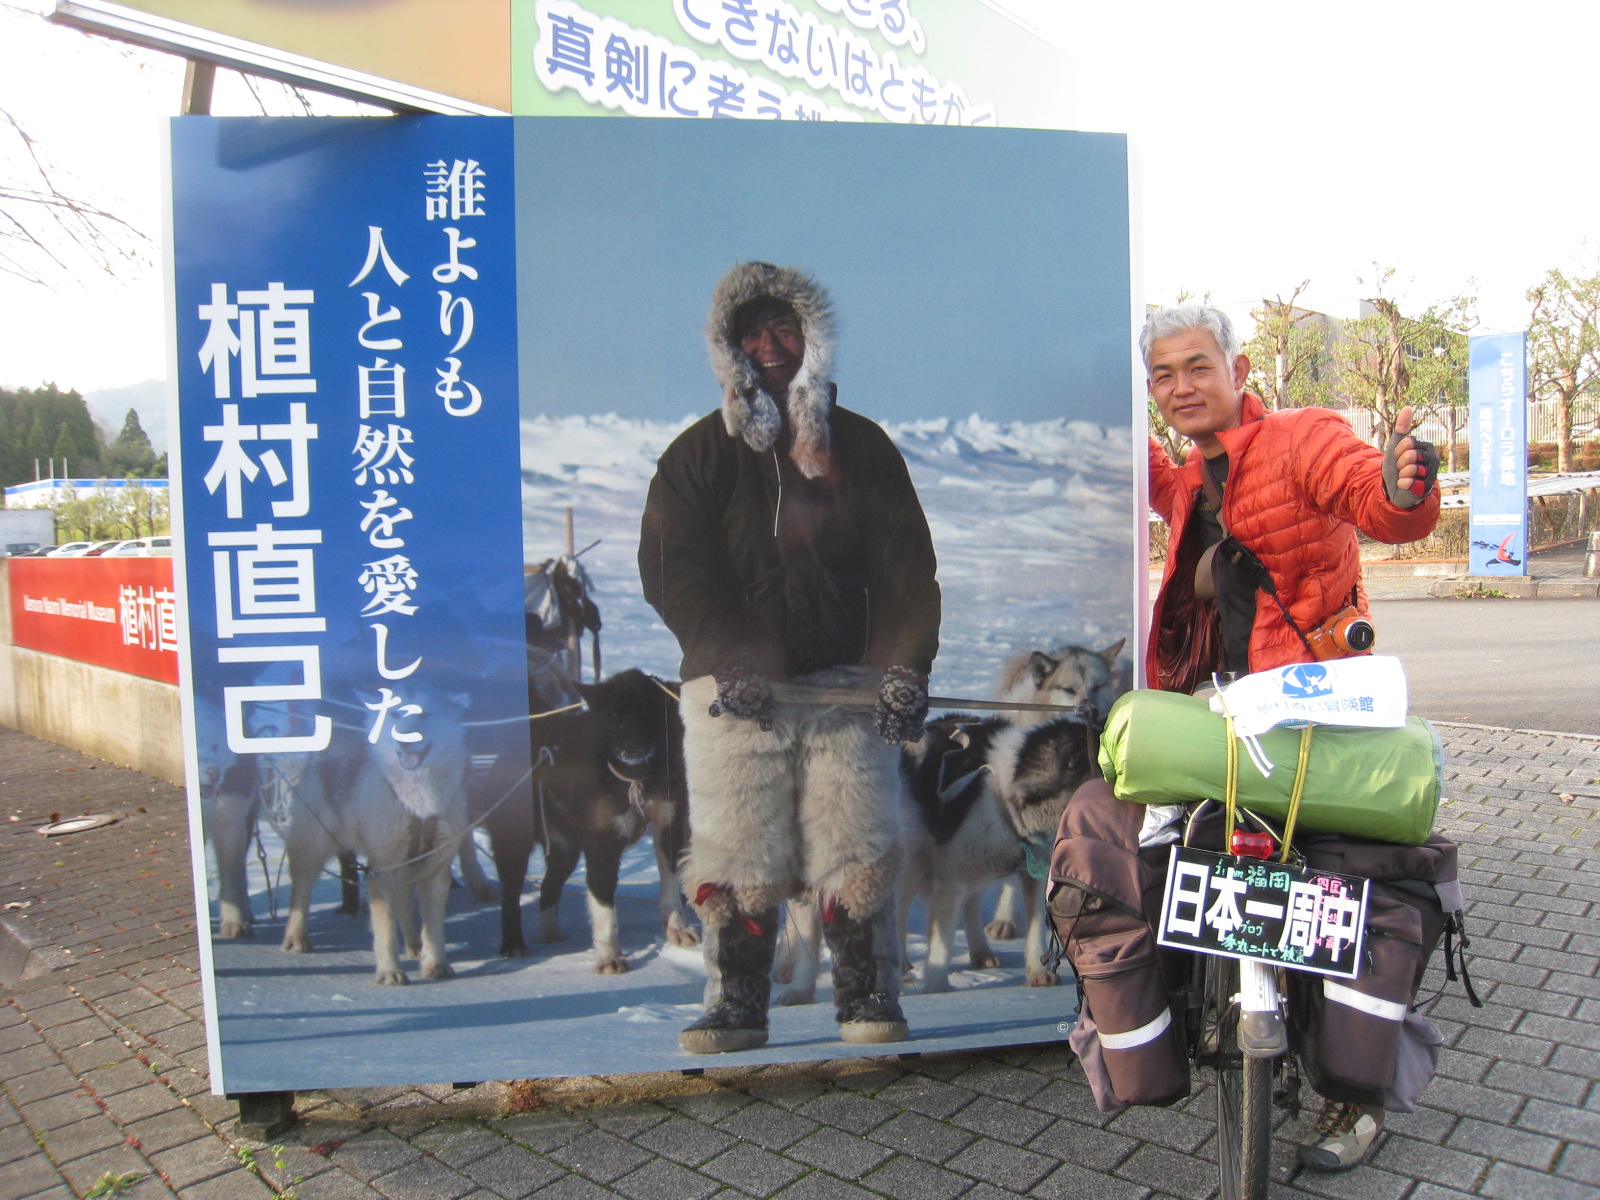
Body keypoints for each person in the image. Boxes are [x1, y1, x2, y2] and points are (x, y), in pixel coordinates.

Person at [1055, 304, 1441, 1171]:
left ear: (1238, 366)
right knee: (1134, 837)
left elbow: (1377, 501)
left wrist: (1406, 483)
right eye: (1163, 375)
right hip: (1214, 715)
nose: (1181, 386)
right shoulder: (1196, 479)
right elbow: (1165, 482)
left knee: (1346, 880)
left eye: (1197, 366)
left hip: (1310, 712)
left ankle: (1353, 1090)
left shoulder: (1305, 438)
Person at [639, 261, 941, 1055]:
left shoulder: (864, 448)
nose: (772, 345)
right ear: (731, 349)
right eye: (754, 332)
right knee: (739, 852)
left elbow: (908, 569)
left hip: (848, 689)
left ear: (813, 339)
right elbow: (672, 570)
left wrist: (905, 666)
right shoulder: (698, 456)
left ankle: (868, 995)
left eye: (786, 328)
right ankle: (736, 1003)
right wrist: (723, 657)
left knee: (858, 849)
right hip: (735, 694)